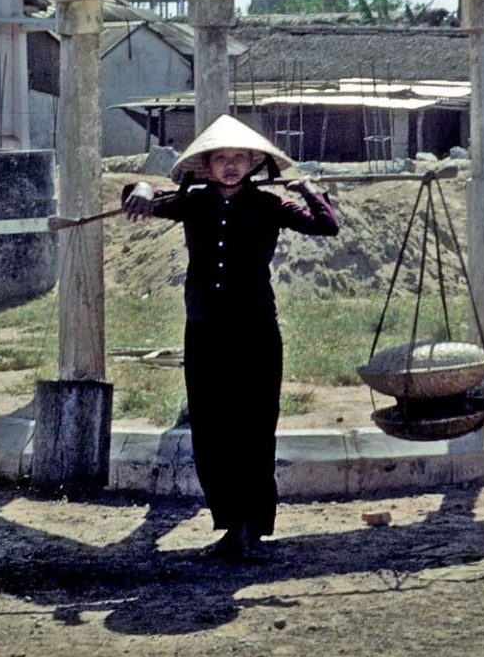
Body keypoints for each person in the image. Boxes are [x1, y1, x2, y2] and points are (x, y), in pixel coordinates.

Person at [122, 114, 340, 561]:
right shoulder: (194, 202)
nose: (230, 166)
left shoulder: (269, 206)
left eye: (238, 158)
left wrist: (309, 191)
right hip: (205, 332)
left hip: (256, 332)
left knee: (255, 430)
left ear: (252, 163)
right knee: (211, 431)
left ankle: (250, 528)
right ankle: (229, 523)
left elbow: (327, 226)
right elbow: (142, 199)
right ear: (207, 166)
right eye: (221, 159)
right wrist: (140, 191)